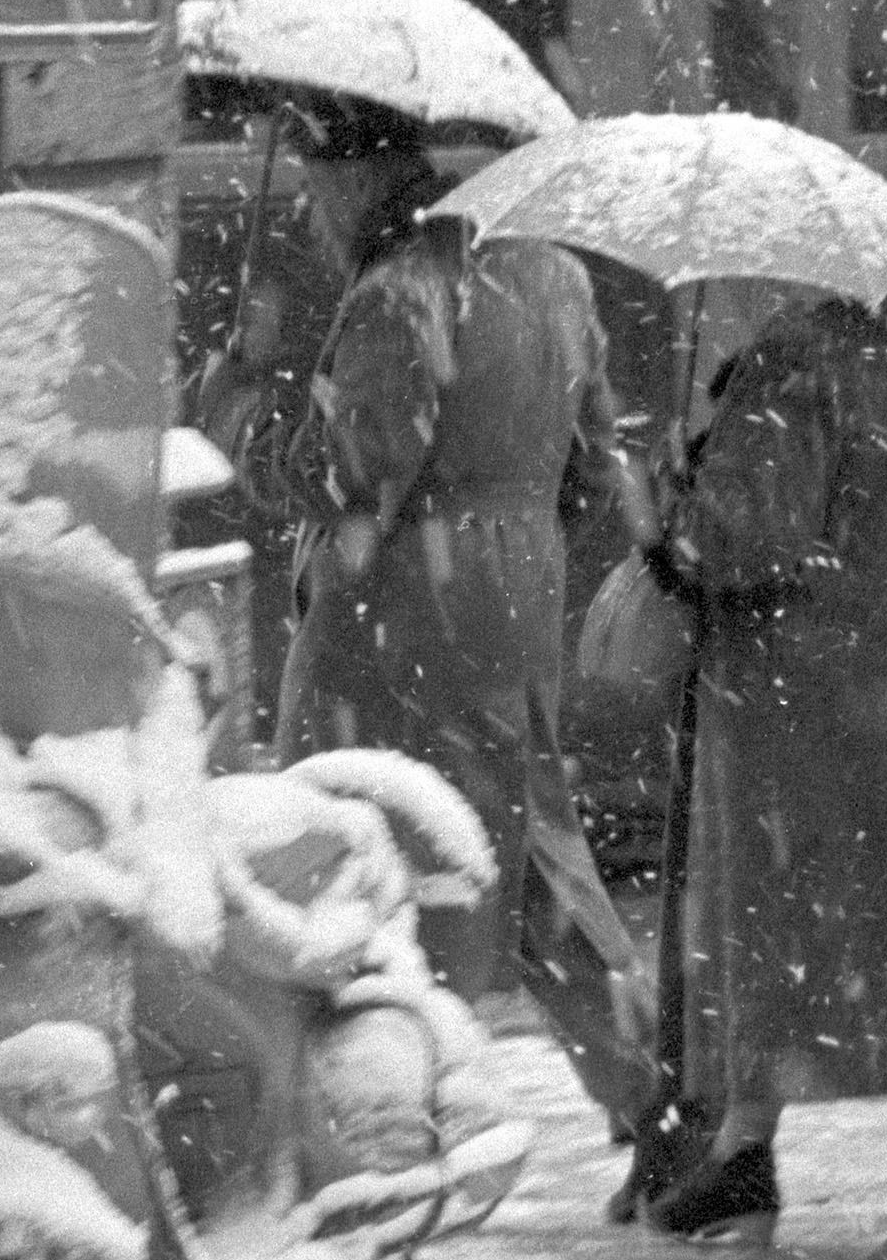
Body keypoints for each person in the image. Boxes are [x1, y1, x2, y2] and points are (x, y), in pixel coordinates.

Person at [198, 90, 661, 1180]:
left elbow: (345, 473)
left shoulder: (399, 292)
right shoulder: (548, 271)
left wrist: (236, 403)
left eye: (314, 191)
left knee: (333, 838)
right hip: (514, 598)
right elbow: (598, 458)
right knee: (536, 849)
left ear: (355, 176)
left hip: (397, 610)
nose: (310, 216)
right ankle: (658, 1099)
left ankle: (358, 1113)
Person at [634, 290, 887, 1255]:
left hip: (807, 699)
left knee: (822, 917)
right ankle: (744, 1156)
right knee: (886, 915)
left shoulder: (791, 363)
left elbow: (738, 543)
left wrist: (665, 509)